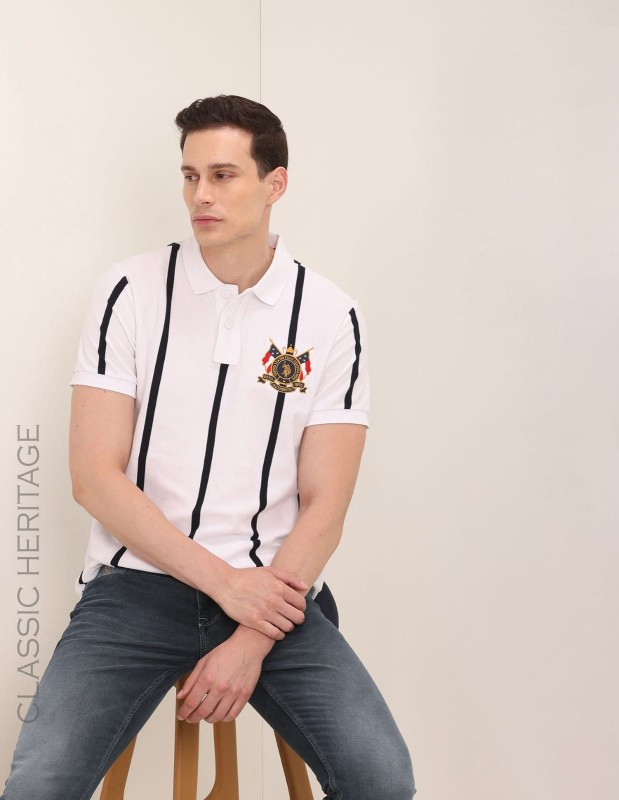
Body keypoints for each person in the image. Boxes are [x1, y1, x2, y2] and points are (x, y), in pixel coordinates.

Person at [1, 94, 416, 800]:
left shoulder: (329, 314)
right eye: (190, 176)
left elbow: (326, 504)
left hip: (275, 596)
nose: (201, 195)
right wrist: (225, 585)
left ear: (274, 184)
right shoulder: (130, 290)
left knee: (381, 780)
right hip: (136, 589)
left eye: (223, 176)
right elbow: (94, 478)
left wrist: (251, 635)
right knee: (38, 786)